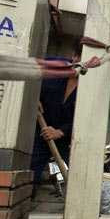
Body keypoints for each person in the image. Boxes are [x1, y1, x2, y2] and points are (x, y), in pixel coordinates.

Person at [30, 44, 81, 193]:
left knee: (78, 176)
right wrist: (33, 95)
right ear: (74, 57)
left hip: (68, 138)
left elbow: (87, 121)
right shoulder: (55, 66)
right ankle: (28, 195)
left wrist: (60, 132)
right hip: (41, 130)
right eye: (79, 58)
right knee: (31, 172)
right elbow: (31, 72)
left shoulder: (90, 88)